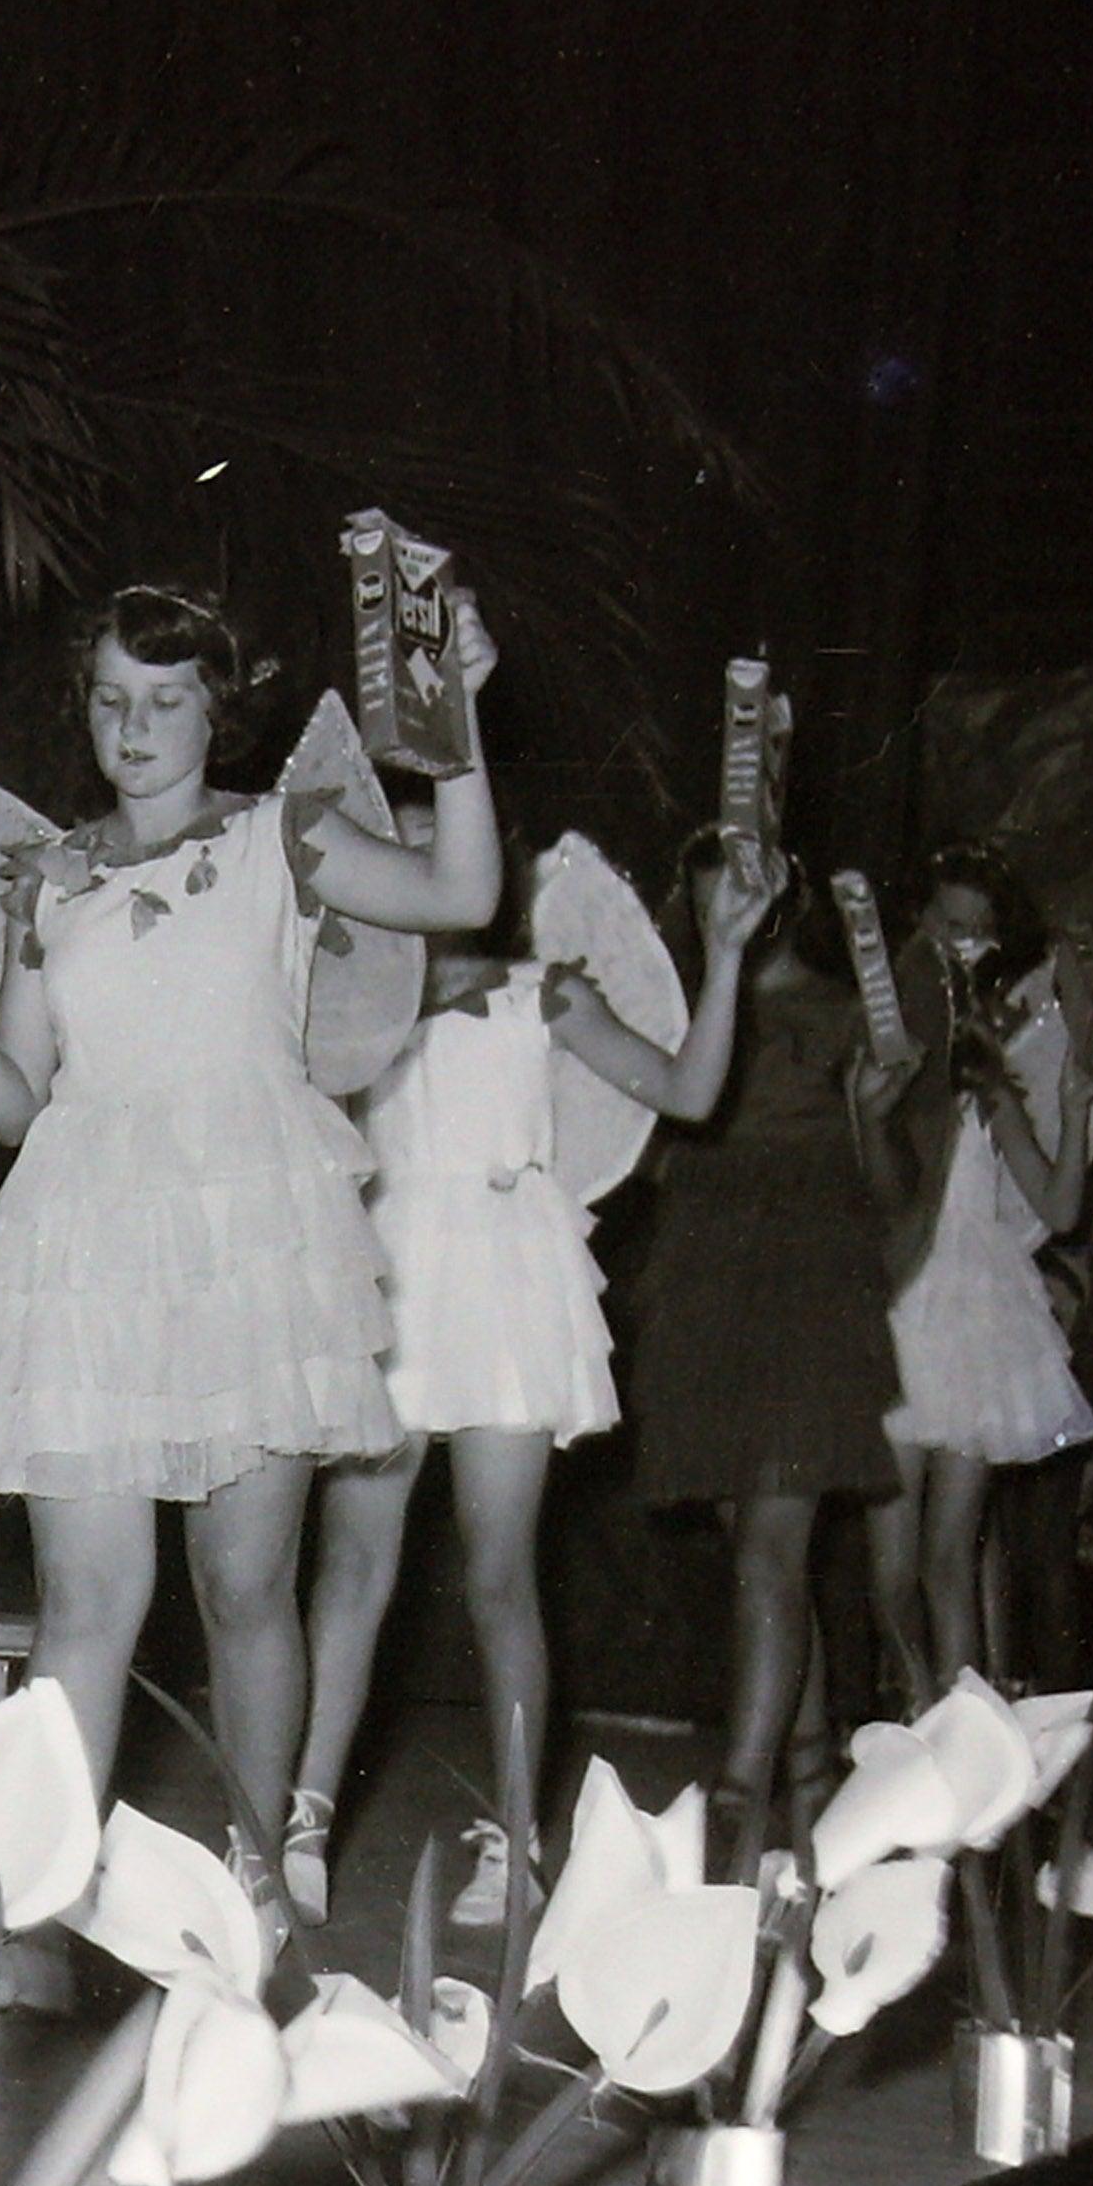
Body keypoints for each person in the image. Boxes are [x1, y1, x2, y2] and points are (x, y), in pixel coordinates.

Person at [0, 581, 499, 1926]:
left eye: (166, 699)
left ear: (217, 708)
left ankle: (252, 1873)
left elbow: (461, 889)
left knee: (240, 1587)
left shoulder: (284, 835)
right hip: (86, 1242)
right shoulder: (51, 873)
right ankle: (38, 1904)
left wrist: (452, 743)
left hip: (247, 1240)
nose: (134, 725)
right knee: (85, 1598)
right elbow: (12, 1100)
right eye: (109, 698)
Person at [294, 818, 780, 1930]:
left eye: (445, 842)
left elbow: (688, 1094)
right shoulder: (358, 999)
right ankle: (302, 1821)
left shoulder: (542, 994)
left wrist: (729, 955)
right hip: (388, 1275)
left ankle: (513, 1845)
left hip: (507, 1281)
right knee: (352, 1564)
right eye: (399, 845)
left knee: (499, 1572)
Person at [626, 839, 925, 1870]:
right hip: (706, 1289)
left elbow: (893, 1195)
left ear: (781, 902)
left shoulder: (850, 1016)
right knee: (759, 1559)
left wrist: (877, 1117)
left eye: (743, 908)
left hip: (811, 1290)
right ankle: (812, 1783)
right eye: (711, 909)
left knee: (771, 1550)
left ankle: (734, 1801)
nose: (730, 927)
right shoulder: (682, 1014)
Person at [866, 847, 1093, 1699]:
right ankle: (913, 1723)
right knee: (888, 1567)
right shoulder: (889, 1053)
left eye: (977, 931)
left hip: (973, 1307)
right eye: (946, 926)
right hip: (899, 1298)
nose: (961, 945)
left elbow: (1060, 1201)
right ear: (916, 928)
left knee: (946, 1557)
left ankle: (962, 1753)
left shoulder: (986, 1075)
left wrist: (1076, 1111)